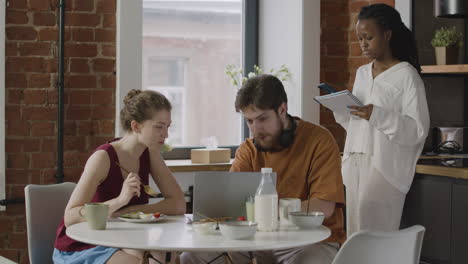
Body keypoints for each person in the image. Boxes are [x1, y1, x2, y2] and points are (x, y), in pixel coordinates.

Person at [181, 74, 346, 264]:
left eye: (262, 119)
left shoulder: (319, 141)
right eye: (249, 121)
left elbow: (323, 208)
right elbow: (231, 205)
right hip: (255, 241)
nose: (255, 130)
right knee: (192, 257)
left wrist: (267, 209)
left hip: (310, 241)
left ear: (282, 109)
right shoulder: (248, 149)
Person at [53, 89, 186, 264]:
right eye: (159, 127)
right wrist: (120, 201)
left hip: (124, 237)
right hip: (85, 244)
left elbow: (177, 204)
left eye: (168, 127)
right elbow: (70, 216)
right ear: (135, 126)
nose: (166, 134)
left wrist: (129, 212)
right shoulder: (102, 158)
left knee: (164, 257)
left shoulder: (150, 153)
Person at [333, 3, 430, 237]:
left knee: (374, 235)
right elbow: (356, 124)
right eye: (360, 38)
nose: (363, 44)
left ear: (387, 35)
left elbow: (417, 130)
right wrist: (341, 109)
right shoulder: (362, 73)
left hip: (383, 165)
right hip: (356, 159)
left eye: (369, 37)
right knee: (355, 233)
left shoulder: (407, 75)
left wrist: (377, 115)